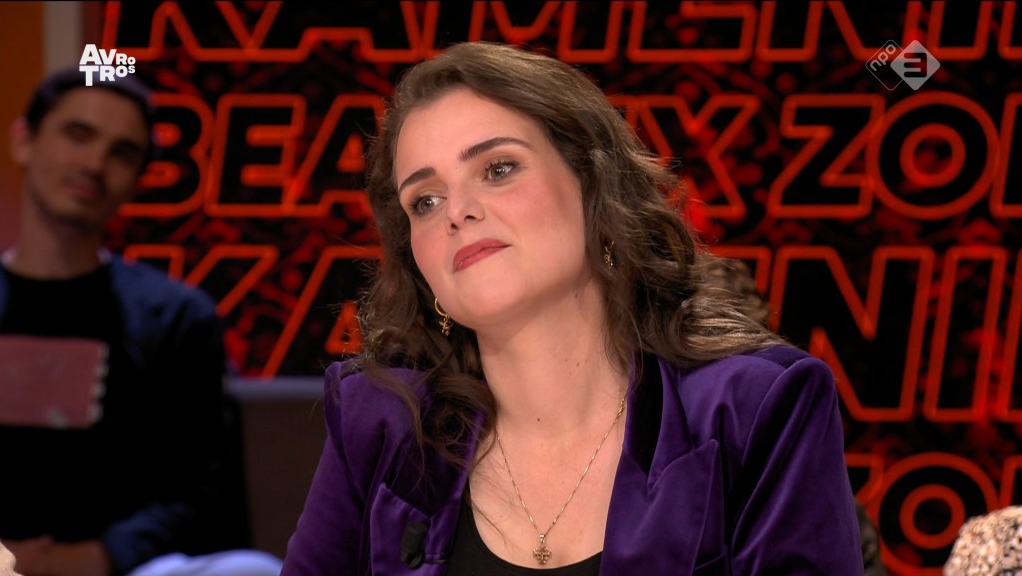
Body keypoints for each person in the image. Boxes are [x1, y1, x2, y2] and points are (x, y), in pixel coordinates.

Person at [281, 41, 862, 574]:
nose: (457, 211)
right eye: (425, 201)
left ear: (592, 185)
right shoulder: (380, 425)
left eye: (498, 169)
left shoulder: (754, 409)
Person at [0, 69, 282, 576]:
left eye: (122, 153)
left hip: (121, 569)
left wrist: (90, 559)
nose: (94, 164)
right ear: (24, 141)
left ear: (137, 179)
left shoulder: (177, 317)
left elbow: (201, 494)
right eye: (78, 135)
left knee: (250, 570)